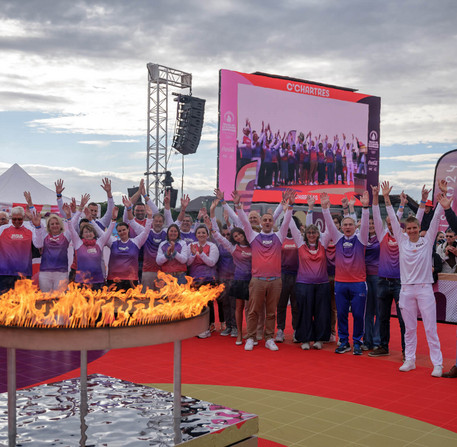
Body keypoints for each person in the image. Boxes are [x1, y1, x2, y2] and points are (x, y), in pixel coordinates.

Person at [382, 180, 444, 377]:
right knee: (409, 328)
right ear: (404, 230)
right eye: (408, 229)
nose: (411, 231)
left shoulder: (427, 242)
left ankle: (438, 364)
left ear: (419, 228)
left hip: (425, 289)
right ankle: (410, 360)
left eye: (414, 228)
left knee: (430, 329)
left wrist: (439, 199)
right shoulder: (402, 241)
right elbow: (391, 217)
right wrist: (385, 198)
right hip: (406, 289)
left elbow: (434, 220)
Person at [233, 189, 293, 351]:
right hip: (258, 280)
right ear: (260, 223)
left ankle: (268, 338)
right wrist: (238, 205)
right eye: (264, 220)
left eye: (269, 220)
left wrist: (290, 205)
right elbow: (245, 222)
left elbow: (286, 221)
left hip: (275, 281)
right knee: (253, 310)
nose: (267, 222)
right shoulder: (253, 236)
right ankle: (251, 338)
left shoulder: (279, 237)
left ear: (273, 222)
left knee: (271, 312)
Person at [321, 190, 370, 355]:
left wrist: (365, 207)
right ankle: (344, 342)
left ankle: (357, 342)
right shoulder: (337, 238)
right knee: (341, 313)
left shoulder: (361, 238)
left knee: (357, 314)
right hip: (340, 283)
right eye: (345, 225)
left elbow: (364, 225)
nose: (348, 227)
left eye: (350, 224)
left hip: (358, 283)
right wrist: (324, 208)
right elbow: (328, 222)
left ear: (355, 226)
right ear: (341, 227)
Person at [369, 185, 406, 359]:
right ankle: (383, 346)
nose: (391, 225)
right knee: (382, 317)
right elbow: (376, 214)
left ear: (398, 223)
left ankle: (407, 351)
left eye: (394, 223)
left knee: (403, 319)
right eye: (389, 223)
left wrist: (399, 205)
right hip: (382, 281)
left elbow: (393, 214)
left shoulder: (403, 237)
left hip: (400, 283)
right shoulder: (381, 233)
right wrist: (376, 197)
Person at [289, 214, 331, 350]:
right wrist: (288, 210)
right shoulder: (300, 243)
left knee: (321, 312)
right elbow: (292, 227)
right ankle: (305, 339)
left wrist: (326, 209)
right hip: (304, 284)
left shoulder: (323, 244)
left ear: (318, 234)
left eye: (314, 232)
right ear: (305, 234)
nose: (312, 235)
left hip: (322, 284)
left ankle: (320, 339)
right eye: (309, 232)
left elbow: (330, 226)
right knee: (304, 312)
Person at [68, 194, 117, 289]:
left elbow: (108, 233)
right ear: (82, 234)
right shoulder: (78, 243)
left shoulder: (99, 243)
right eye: (86, 232)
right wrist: (77, 210)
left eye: (90, 231)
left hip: (97, 281)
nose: (88, 234)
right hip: (81, 283)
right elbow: (70, 227)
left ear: (95, 234)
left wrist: (114, 220)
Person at [106, 201, 153, 291]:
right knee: (113, 304)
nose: (122, 232)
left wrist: (150, 217)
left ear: (128, 229)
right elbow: (104, 234)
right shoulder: (112, 241)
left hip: (131, 279)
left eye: (124, 230)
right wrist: (113, 220)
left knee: (132, 303)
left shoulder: (136, 242)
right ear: (117, 233)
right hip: (114, 279)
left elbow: (146, 232)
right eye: (119, 231)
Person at [0, 201, 40, 294]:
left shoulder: (30, 229)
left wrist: (37, 227)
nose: (17, 221)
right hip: (4, 273)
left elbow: (39, 244)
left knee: (22, 303)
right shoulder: (2, 229)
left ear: (23, 217)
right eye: (14, 219)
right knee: (3, 303)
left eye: (19, 219)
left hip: (23, 273)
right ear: (10, 218)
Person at [188, 223, 220, 338]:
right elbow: (188, 263)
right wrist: (192, 254)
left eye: (203, 233)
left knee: (207, 303)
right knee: (197, 303)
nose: (201, 235)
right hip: (194, 279)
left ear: (207, 234)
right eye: (199, 233)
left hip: (208, 279)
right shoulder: (191, 245)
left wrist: (201, 254)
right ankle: (198, 326)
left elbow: (212, 262)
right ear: (196, 234)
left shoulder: (212, 246)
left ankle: (209, 325)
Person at [35, 209, 72, 293]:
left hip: (61, 273)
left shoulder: (66, 235)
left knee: (59, 300)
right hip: (45, 273)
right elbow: (38, 223)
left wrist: (77, 210)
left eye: (57, 223)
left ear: (61, 225)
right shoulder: (44, 235)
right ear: (48, 226)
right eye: (52, 224)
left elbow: (73, 225)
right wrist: (31, 205)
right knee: (46, 299)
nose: (55, 225)